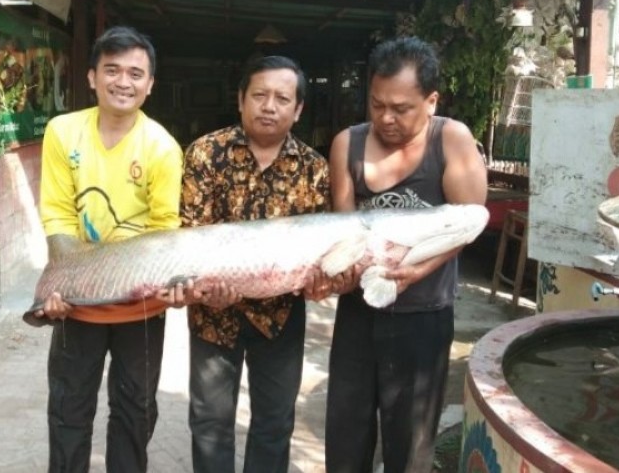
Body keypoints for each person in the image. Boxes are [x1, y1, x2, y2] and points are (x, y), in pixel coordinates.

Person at [325, 36, 487, 473]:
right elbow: (343, 229)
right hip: (358, 313)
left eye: (401, 108)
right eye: (377, 105)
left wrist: (417, 271)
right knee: (346, 433)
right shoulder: (348, 144)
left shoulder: (451, 140)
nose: (386, 117)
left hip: (423, 313)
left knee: (410, 443)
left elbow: (470, 224)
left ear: (431, 101)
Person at [166, 55, 331, 473]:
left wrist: (322, 280)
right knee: (209, 423)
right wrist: (205, 286)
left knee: (274, 424)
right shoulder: (205, 154)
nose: (269, 106)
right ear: (241, 100)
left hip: (280, 314)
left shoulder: (314, 170)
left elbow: (319, 249)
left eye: (282, 98)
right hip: (212, 314)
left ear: (298, 109)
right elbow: (191, 232)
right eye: (259, 95)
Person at [30, 26, 183, 473]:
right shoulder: (63, 131)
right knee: (69, 410)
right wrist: (62, 284)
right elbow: (57, 214)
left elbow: (163, 231)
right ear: (92, 77)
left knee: (134, 413)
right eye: (112, 70)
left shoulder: (162, 148)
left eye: (136, 73)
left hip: (141, 305)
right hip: (78, 305)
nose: (123, 82)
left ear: (150, 84)